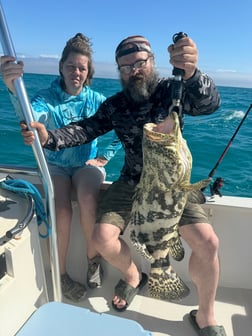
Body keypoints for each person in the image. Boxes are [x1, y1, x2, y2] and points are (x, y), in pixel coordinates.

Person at [15, 34, 226, 335]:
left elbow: (209, 104)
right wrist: (49, 138)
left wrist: (191, 72)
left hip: (171, 185)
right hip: (131, 181)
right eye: (125, 67)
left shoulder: (171, 91)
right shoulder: (115, 105)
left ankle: (205, 315)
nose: (133, 71)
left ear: (152, 62)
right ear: (118, 70)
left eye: (139, 63)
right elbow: (86, 129)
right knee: (102, 238)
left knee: (208, 242)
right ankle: (131, 276)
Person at [0, 33, 122, 302]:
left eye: (81, 68)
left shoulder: (98, 100)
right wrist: (11, 86)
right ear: (61, 67)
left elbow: (121, 129)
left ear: (88, 72)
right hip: (54, 164)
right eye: (71, 66)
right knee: (61, 210)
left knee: (88, 199)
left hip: (85, 164)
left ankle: (93, 260)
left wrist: (105, 156)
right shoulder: (48, 96)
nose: (76, 72)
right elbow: (30, 116)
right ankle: (62, 273)